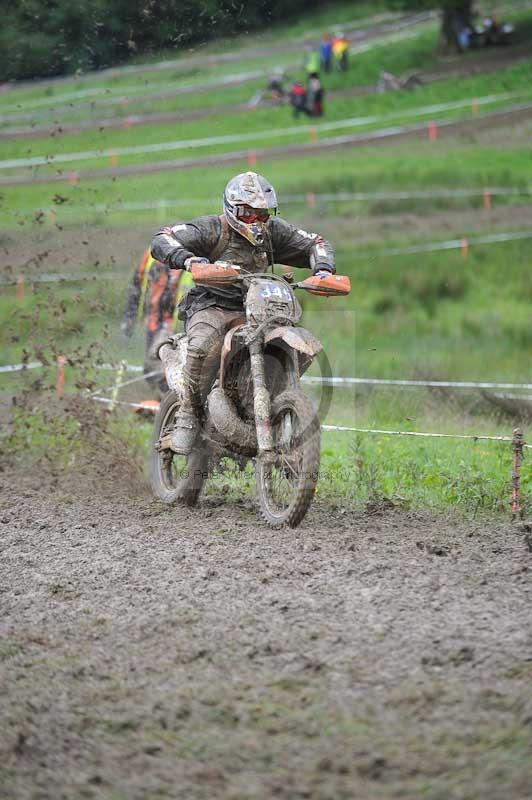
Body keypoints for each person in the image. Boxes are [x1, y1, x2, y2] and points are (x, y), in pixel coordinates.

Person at [151, 171, 335, 455]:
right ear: (233, 209)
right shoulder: (212, 229)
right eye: (248, 214)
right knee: (202, 345)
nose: (257, 221)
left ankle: (277, 403)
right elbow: (163, 238)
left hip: (261, 308)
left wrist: (323, 269)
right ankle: (187, 414)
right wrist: (190, 260)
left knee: (297, 345)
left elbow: (315, 242)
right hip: (213, 305)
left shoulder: (274, 231)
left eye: (262, 214)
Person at [121, 248, 194, 394]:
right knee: (151, 368)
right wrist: (130, 316)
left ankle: (172, 404)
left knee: (160, 362)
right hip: (152, 319)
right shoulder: (150, 253)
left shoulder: (191, 258)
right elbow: (136, 283)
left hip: (174, 323)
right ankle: (162, 403)